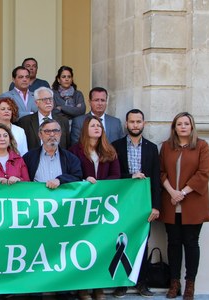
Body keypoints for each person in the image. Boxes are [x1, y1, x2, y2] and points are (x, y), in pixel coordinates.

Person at [159, 112, 209, 300]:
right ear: (174, 127)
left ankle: (190, 284)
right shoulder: (166, 147)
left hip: (193, 203)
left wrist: (182, 193)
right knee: (173, 244)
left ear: (191, 126)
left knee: (190, 243)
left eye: (186, 124)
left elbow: (203, 174)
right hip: (171, 203)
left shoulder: (202, 146)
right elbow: (161, 172)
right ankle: (174, 283)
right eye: (179, 124)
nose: (182, 127)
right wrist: (172, 192)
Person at [69, 115, 120, 300]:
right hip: (82, 206)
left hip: (104, 206)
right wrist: (84, 181)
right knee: (83, 247)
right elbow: (71, 175)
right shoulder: (75, 151)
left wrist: (99, 184)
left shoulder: (110, 150)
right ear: (85, 129)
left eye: (99, 125)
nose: (97, 128)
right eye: (93, 125)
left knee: (100, 246)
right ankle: (83, 287)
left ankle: (98, 287)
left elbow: (116, 175)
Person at [111, 109, 161, 298]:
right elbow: (114, 176)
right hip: (122, 203)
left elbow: (156, 179)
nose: (135, 125)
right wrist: (130, 177)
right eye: (132, 122)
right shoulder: (116, 146)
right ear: (126, 124)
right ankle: (121, 283)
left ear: (144, 123)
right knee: (121, 242)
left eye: (138, 121)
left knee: (142, 243)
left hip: (144, 203)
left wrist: (156, 206)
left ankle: (142, 283)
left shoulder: (151, 148)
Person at [23, 119, 82, 187]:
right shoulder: (29, 157)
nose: (52, 134)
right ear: (40, 135)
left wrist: (60, 180)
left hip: (61, 196)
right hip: (37, 196)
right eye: (47, 131)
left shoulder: (71, 158)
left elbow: (77, 177)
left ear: (60, 134)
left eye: (55, 131)